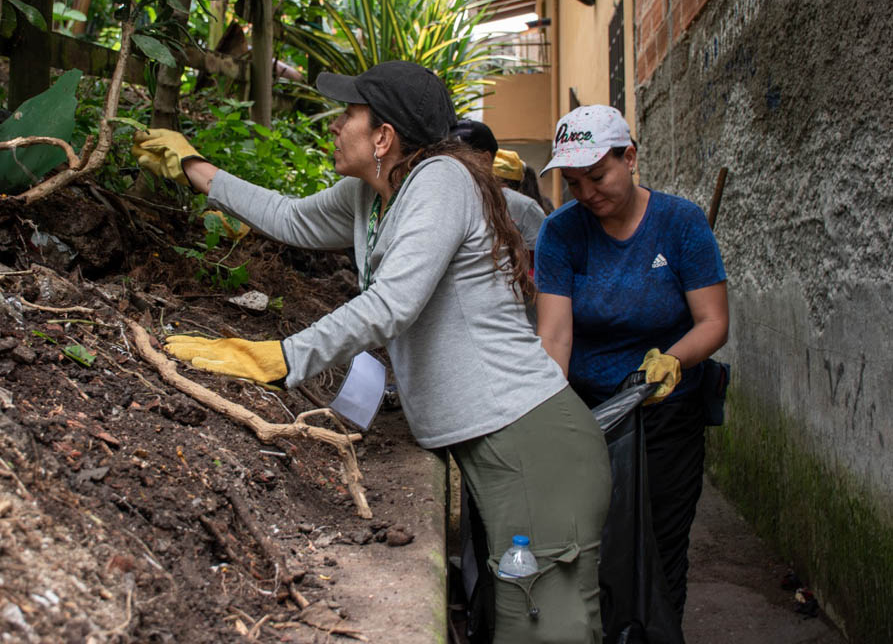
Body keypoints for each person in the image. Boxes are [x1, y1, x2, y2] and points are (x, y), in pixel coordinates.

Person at [134, 61, 611, 644]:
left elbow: (392, 304)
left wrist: (281, 358)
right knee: (520, 618)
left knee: (545, 629)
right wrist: (195, 168)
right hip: (502, 445)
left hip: (534, 445)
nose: (335, 127)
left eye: (348, 115)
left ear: (383, 136)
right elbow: (289, 216)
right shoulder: (373, 194)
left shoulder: (442, 181)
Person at [533, 105, 729, 623]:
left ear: (631, 157)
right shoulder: (560, 234)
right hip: (590, 414)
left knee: (661, 546)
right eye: (574, 183)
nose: (587, 193)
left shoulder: (679, 223)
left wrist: (670, 360)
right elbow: (555, 336)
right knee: (591, 539)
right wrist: (546, 412)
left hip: (666, 411)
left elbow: (712, 322)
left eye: (598, 176)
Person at [451, 120, 546, 256]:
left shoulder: (521, 206)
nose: (450, 167)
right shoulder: (445, 202)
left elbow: (540, 262)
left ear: (485, 159)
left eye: (460, 159)